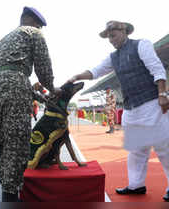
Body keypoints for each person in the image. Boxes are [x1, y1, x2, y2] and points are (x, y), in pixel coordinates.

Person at [67, 20, 169, 201]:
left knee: (164, 147)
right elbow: (96, 71)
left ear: (124, 31)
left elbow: (156, 68)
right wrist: (77, 76)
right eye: (108, 37)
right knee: (136, 150)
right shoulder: (113, 57)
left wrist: (163, 94)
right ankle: (136, 185)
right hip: (132, 108)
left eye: (113, 35)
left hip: (151, 103)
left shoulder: (141, 45)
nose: (111, 40)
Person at [0, 6, 58, 202]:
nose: (40, 29)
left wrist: (36, 94)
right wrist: (52, 89)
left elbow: (7, 71)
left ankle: (7, 188)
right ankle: (10, 197)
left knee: (1, 142)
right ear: (33, 22)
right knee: (17, 143)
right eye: (40, 26)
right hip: (16, 84)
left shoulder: (3, 40)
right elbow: (43, 68)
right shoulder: (32, 33)